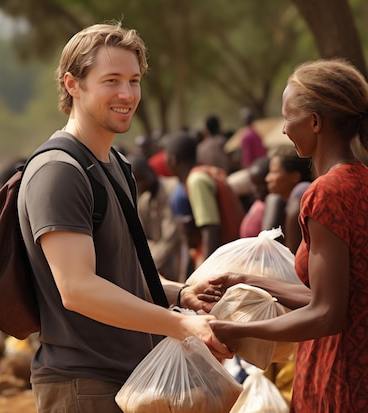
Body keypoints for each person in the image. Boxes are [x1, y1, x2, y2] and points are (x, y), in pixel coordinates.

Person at [15, 22, 230, 413]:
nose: (127, 94)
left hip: (131, 379)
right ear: (72, 85)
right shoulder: (59, 171)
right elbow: (77, 289)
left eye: (134, 80)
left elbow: (122, 275)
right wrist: (180, 324)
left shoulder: (115, 164)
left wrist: (178, 294)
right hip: (84, 385)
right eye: (111, 80)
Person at [208, 58, 368, 412]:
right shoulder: (367, 182)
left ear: (315, 122)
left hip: (345, 381)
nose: (283, 130)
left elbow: (326, 313)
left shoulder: (327, 192)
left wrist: (238, 331)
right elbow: (328, 296)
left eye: (287, 117)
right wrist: (246, 280)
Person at [165, 132, 244, 262]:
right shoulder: (208, 170)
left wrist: (206, 270)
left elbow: (210, 228)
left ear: (173, 159)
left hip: (226, 257)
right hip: (233, 248)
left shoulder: (196, 180)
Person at [129, 154, 183, 282]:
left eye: (142, 178)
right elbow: (141, 238)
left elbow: (171, 239)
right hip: (161, 262)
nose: (140, 184)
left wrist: (147, 269)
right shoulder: (143, 201)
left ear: (151, 171)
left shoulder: (172, 190)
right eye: (136, 181)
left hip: (178, 256)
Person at [262, 146, 313, 253]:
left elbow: (292, 253)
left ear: (295, 177)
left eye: (274, 172)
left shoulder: (301, 191)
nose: (267, 178)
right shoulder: (289, 200)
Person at [239, 156, 269, 238]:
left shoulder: (272, 206)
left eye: (260, 184)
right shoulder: (258, 203)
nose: (256, 189)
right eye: (253, 183)